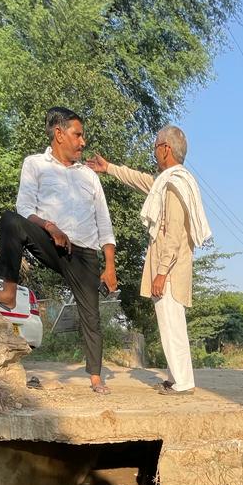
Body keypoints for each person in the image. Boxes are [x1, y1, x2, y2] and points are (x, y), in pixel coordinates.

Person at [0, 107, 118, 394]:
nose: (83, 141)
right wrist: (50, 227)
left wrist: (109, 266)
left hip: (85, 253)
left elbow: (104, 223)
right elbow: (25, 207)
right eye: (78, 135)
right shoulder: (35, 164)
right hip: (52, 242)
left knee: (91, 316)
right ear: (59, 134)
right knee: (11, 220)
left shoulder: (89, 176)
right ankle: (8, 292)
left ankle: (95, 377)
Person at [87, 126, 211, 395]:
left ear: (165, 149)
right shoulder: (168, 182)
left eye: (155, 147)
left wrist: (162, 272)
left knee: (172, 326)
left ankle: (183, 383)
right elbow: (141, 180)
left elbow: (174, 235)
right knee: (170, 324)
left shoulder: (175, 185)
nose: (154, 152)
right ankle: (176, 378)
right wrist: (109, 168)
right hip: (171, 268)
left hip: (170, 269)